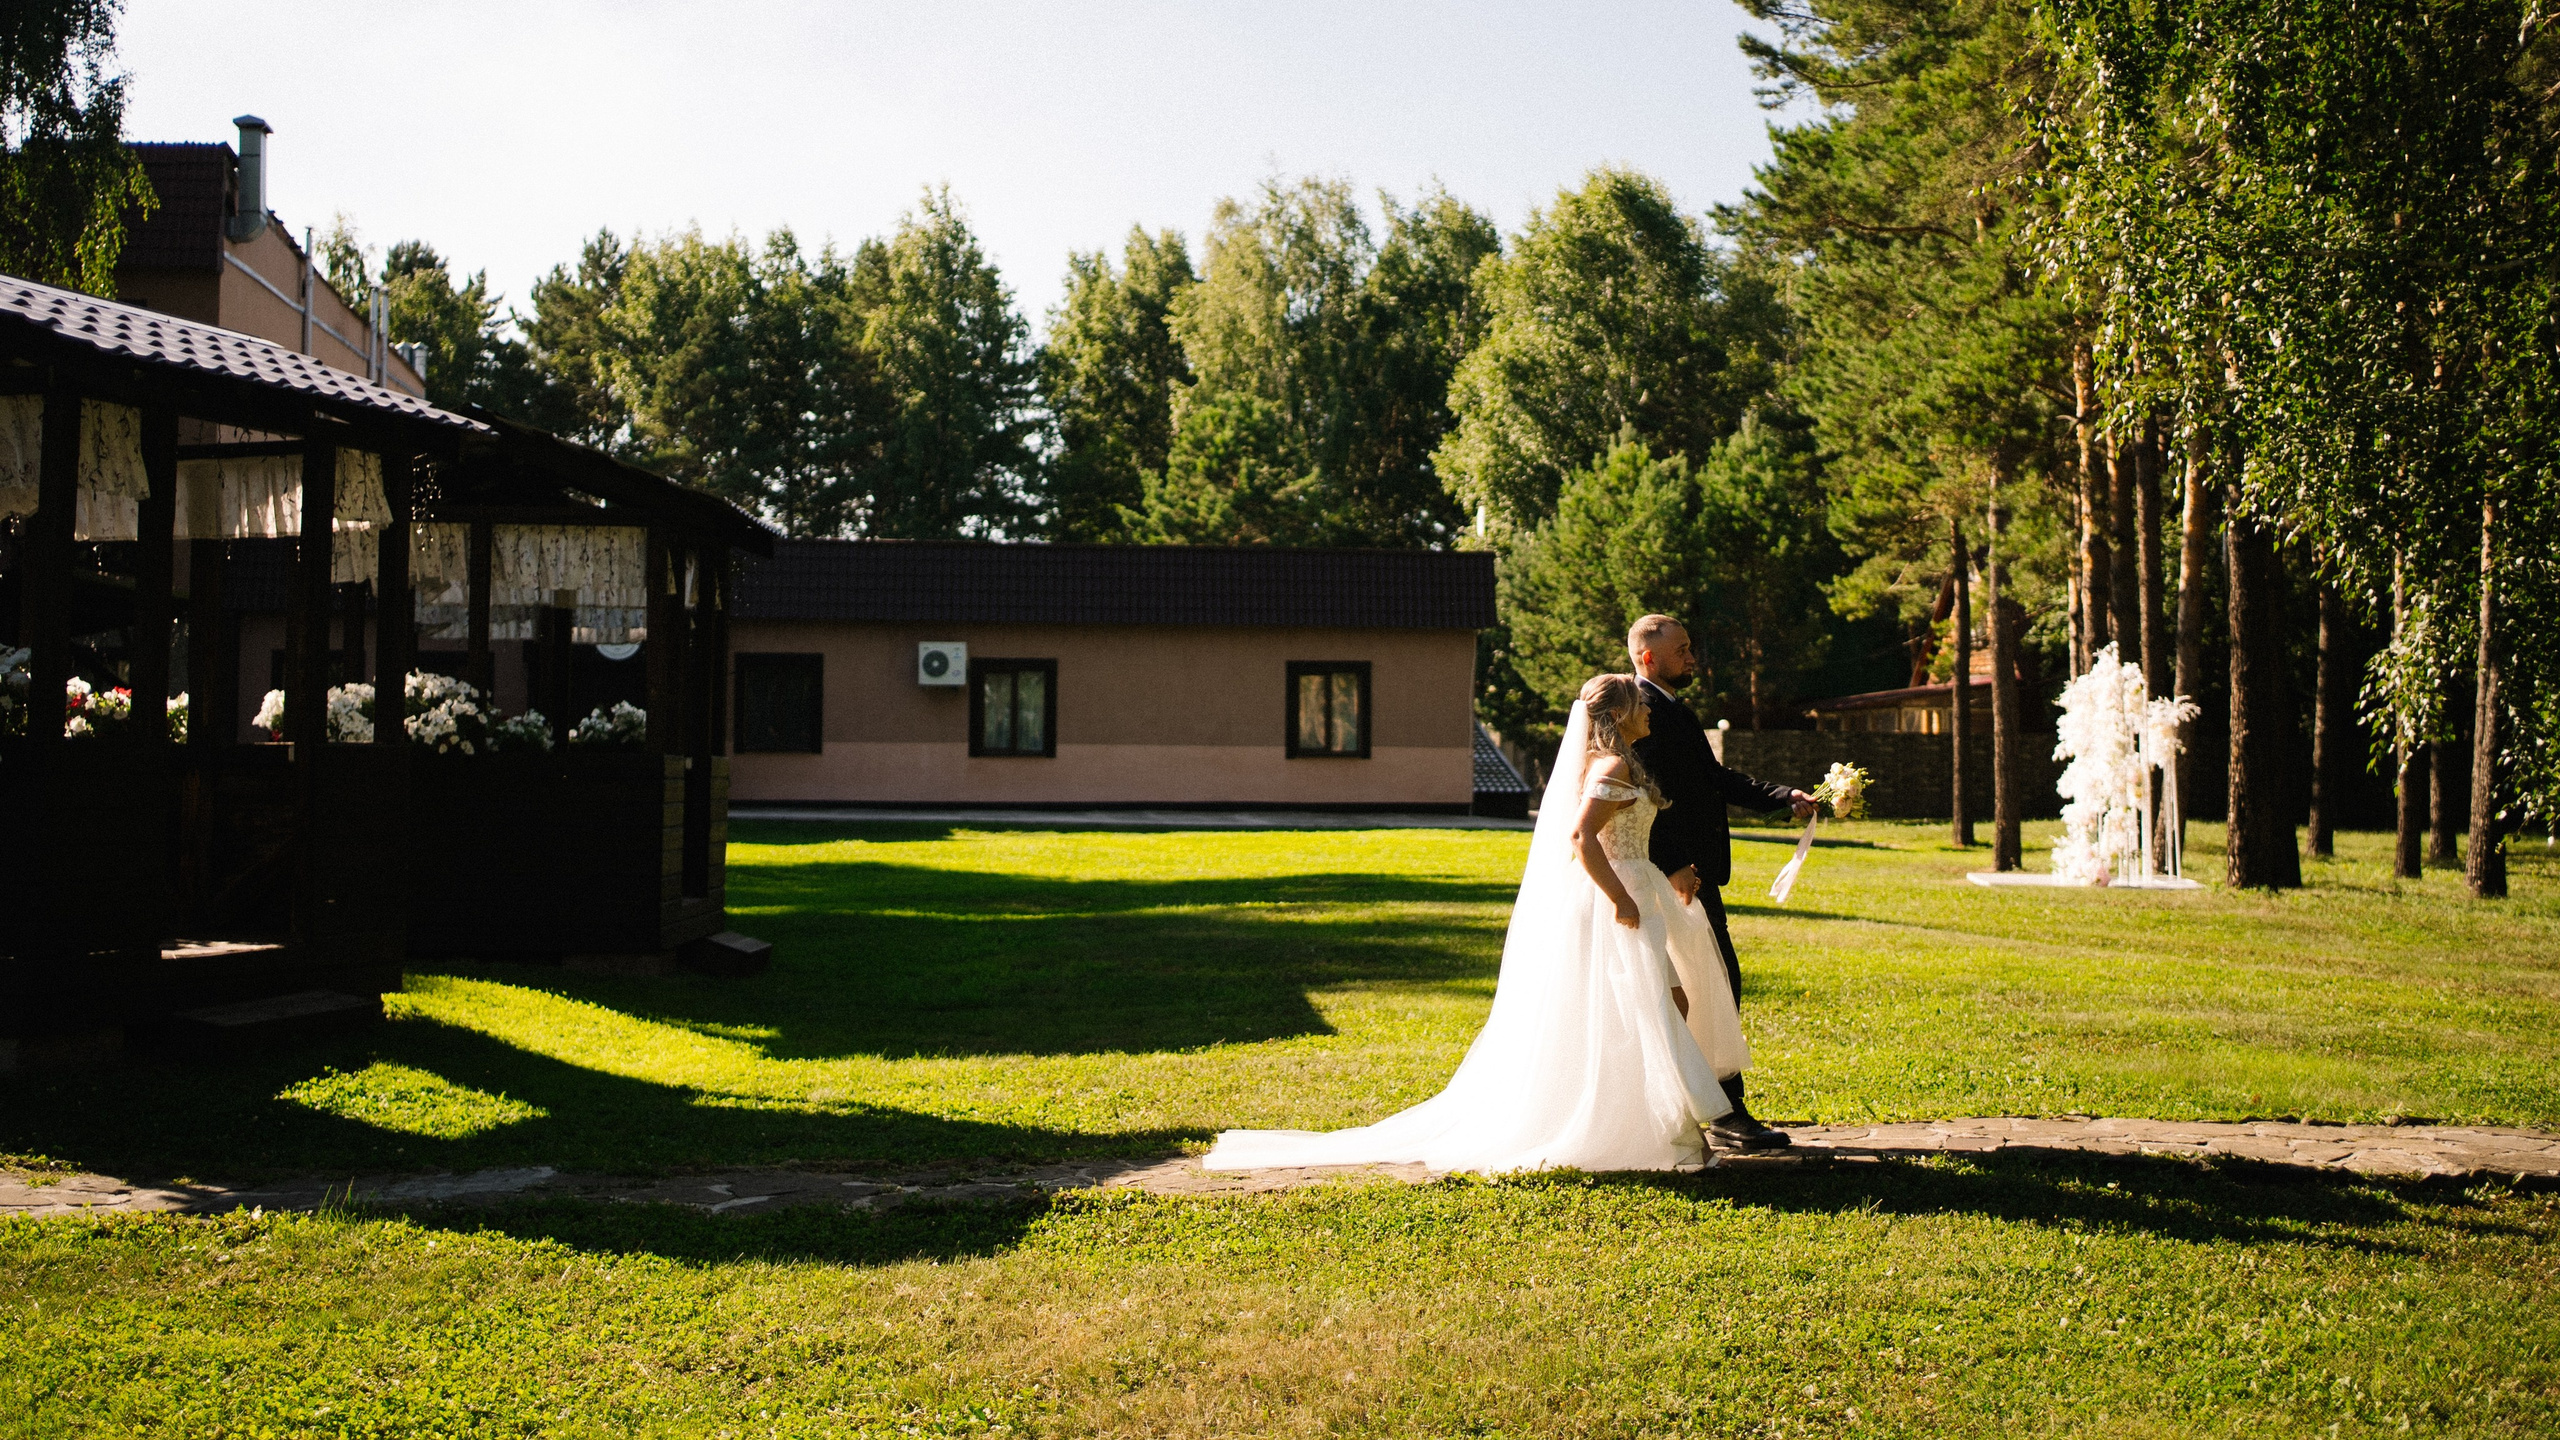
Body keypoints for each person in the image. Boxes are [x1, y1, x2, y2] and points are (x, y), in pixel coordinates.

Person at [1202, 673, 1747, 1175]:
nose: (1651, 712)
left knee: (1663, 1004)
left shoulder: (1619, 761)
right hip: (1618, 901)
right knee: (1652, 1005)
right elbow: (1582, 838)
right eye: (1642, 706)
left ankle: (1653, 1120)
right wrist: (1620, 900)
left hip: (1639, 891)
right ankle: (1649, 1127)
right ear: (1622, 711)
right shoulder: (1611, 766)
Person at [1626, 613, 1814, 1151]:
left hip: (1694, 873)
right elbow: (1645, 797)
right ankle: (1725, 1113)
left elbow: (1710, 780)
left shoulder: (1669, 708)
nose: (1692, 658)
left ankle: (1711, 1107)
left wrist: (1782, 797)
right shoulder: (1639, 713)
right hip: (1674, 878)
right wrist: (1675, 862)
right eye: (1682, 649)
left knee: (1712, 987)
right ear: (1648, 658)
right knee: (1708, 988)